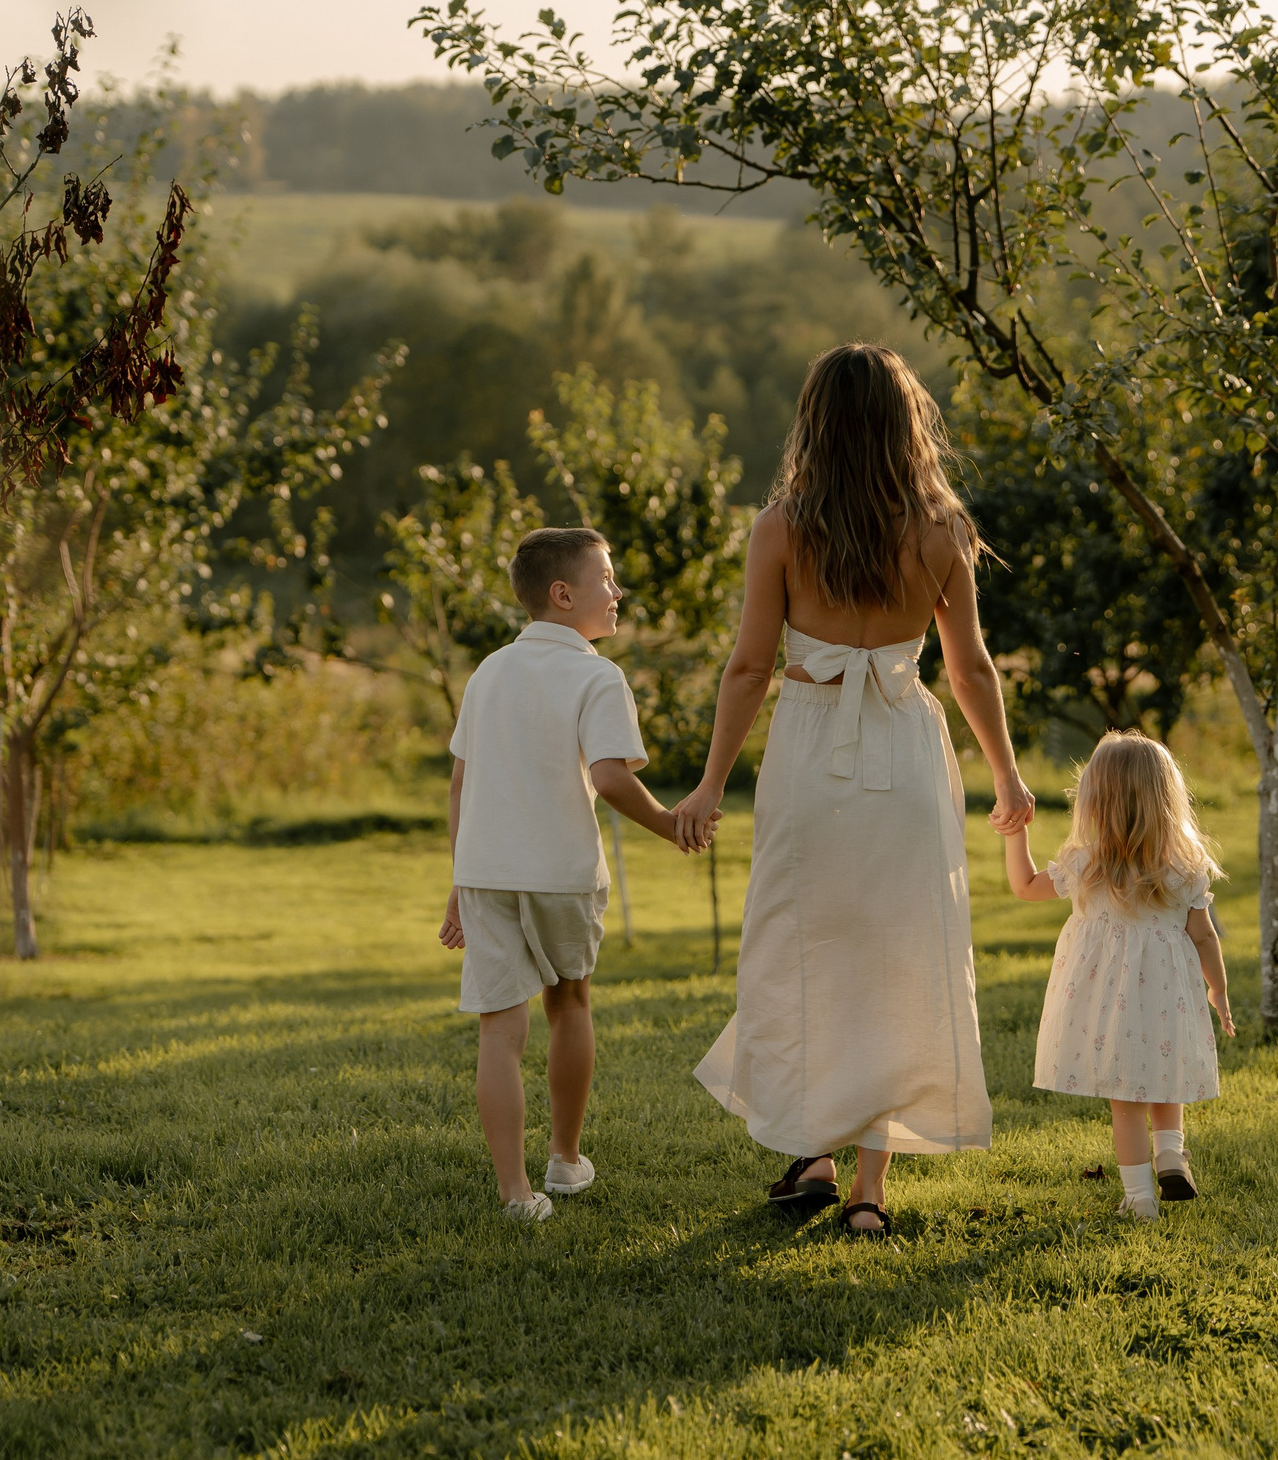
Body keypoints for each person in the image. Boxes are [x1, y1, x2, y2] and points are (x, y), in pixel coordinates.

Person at [675, 343, 1033, 1238]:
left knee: (801, 943)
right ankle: (869, 1187)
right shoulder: (944, 528)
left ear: (816, 423)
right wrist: (1008, 773)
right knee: (900, 951)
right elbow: (971, 667)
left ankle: (815, 1145)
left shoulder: (782, 527)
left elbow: (750, 665)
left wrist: (710, 782)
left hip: (810, 753)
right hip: (906, 751)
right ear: (908, 423)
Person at [440, 527, 703, 1221]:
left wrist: (460, 880)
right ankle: (564, 1158)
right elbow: (611, 778)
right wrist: (671, 822)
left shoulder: (487, 671)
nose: (617, 593)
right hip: (561, 873)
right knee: (570, 1005)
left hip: (486, 872)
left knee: (498, 1031)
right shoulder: (597, 675)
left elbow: (461, 784)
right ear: (563, 594)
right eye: (606, 579)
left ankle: (514, 1194)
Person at [999, 731, 1233, 1219]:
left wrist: (1015, 832)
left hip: (1110, 1001)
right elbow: (1205, 937)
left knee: (1125, 1097)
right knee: (1164, 1075)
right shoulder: (1185, 867)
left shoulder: (1085, 864)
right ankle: (1170, 1152)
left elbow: (1023, 887)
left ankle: (1139, 1198)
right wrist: (1218, 990)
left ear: (1093, 800)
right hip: (1169, 992)